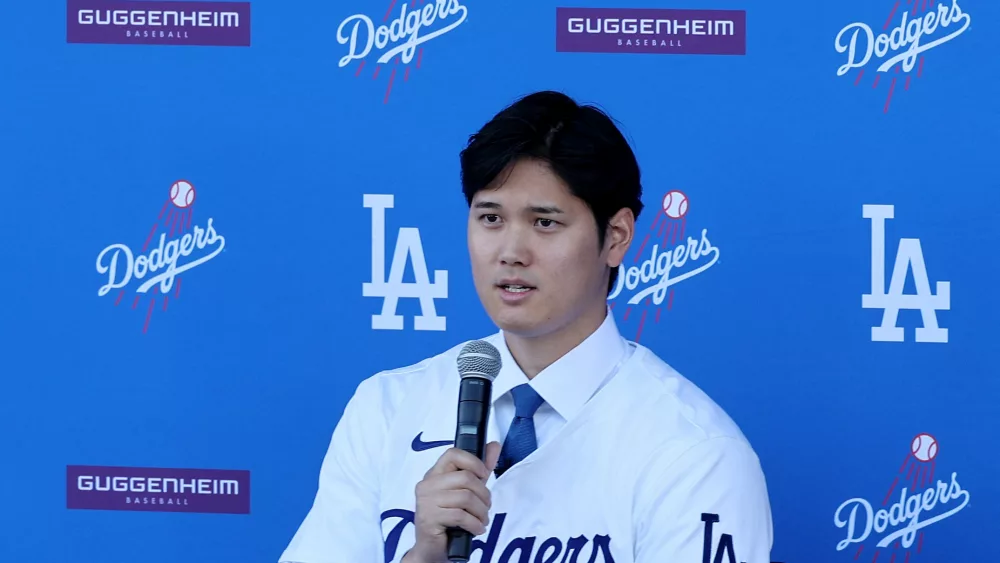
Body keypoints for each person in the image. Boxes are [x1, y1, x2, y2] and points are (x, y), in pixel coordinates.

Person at [278, 90, 773, 563]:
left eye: (545, 223)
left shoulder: (694, 452)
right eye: (490, 218)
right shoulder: (385, 409)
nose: (511, 252)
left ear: (617, 236)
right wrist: (423, 555)